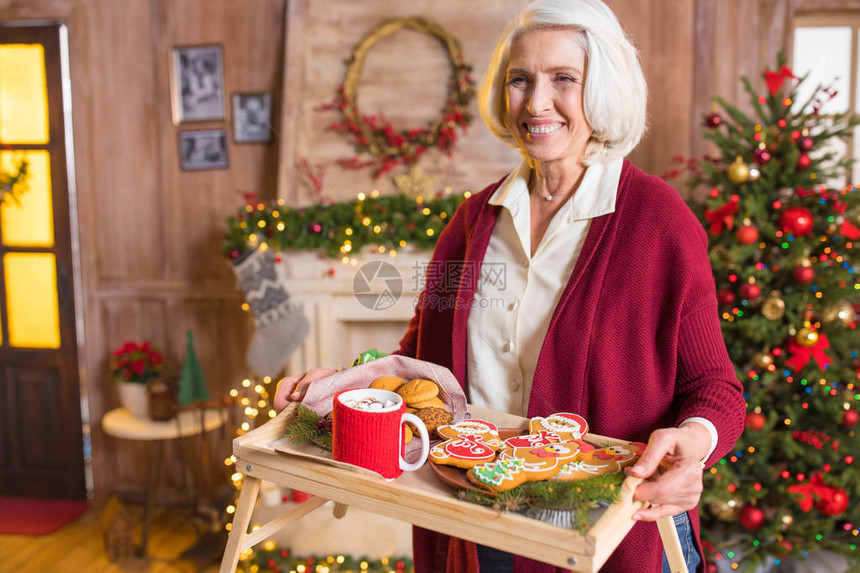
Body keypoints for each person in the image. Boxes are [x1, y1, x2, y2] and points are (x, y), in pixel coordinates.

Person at [274, 0, 745, 571]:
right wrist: (347, 385)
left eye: (564, 79)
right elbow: (418, 362)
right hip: (478, 520)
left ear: (603, 88)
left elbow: (715, 387)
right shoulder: (473, 222)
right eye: (520, 79)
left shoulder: (658, 222)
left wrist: (694, 444)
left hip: (612, 535)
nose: (536, 102)